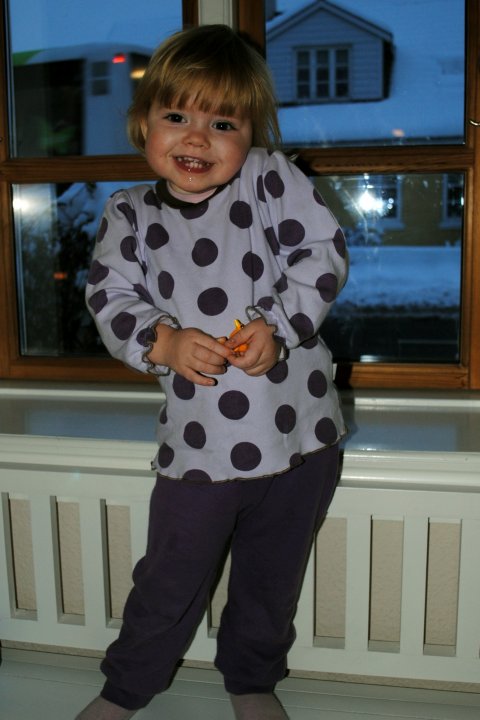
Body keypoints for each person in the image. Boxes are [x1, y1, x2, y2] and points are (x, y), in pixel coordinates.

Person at [78, 23, 348, 720]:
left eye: (222, 123)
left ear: (251, 134)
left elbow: (321, 253)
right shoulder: (128, 213)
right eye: (177, 115)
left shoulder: (269, 179)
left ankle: (251, 681)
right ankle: (124, 690)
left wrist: (278, 325)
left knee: (271, 578)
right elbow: (110, 298)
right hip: (200, 444)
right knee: (168, 578)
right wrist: (162, 342)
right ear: (144, 123)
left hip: (300, 437)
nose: (197, 138)